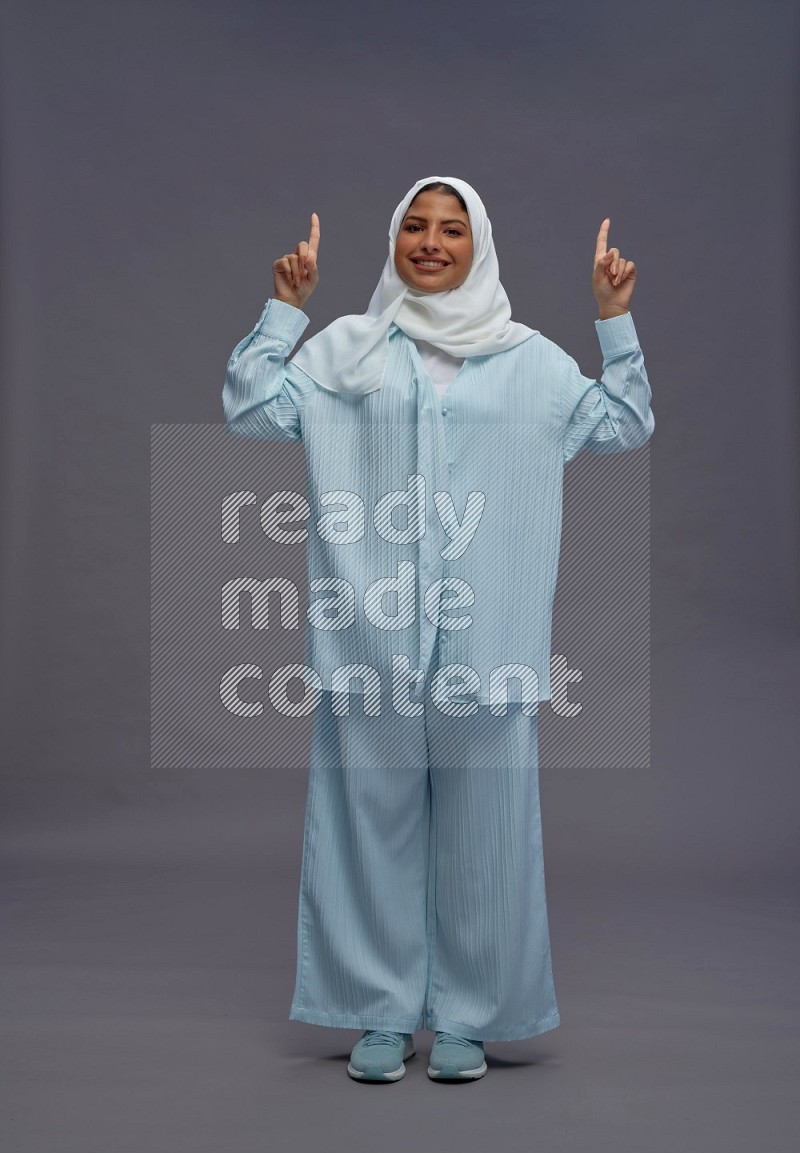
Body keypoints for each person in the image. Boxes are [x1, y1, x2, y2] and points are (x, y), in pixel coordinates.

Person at [221, 176, 654, 1083]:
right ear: (393, 241)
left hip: (487, 643)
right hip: (368, 641)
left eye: (451, 229)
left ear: (478, 244)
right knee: (361, 830)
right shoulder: (347, 350)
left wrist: (612, 319)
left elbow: (622, 424)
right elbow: (252, 410)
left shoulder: (530, 360)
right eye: (414, 226)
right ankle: (378, 1011)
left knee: (487, 840)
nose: (430, 241)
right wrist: (283, 310)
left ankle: (468, 1015)